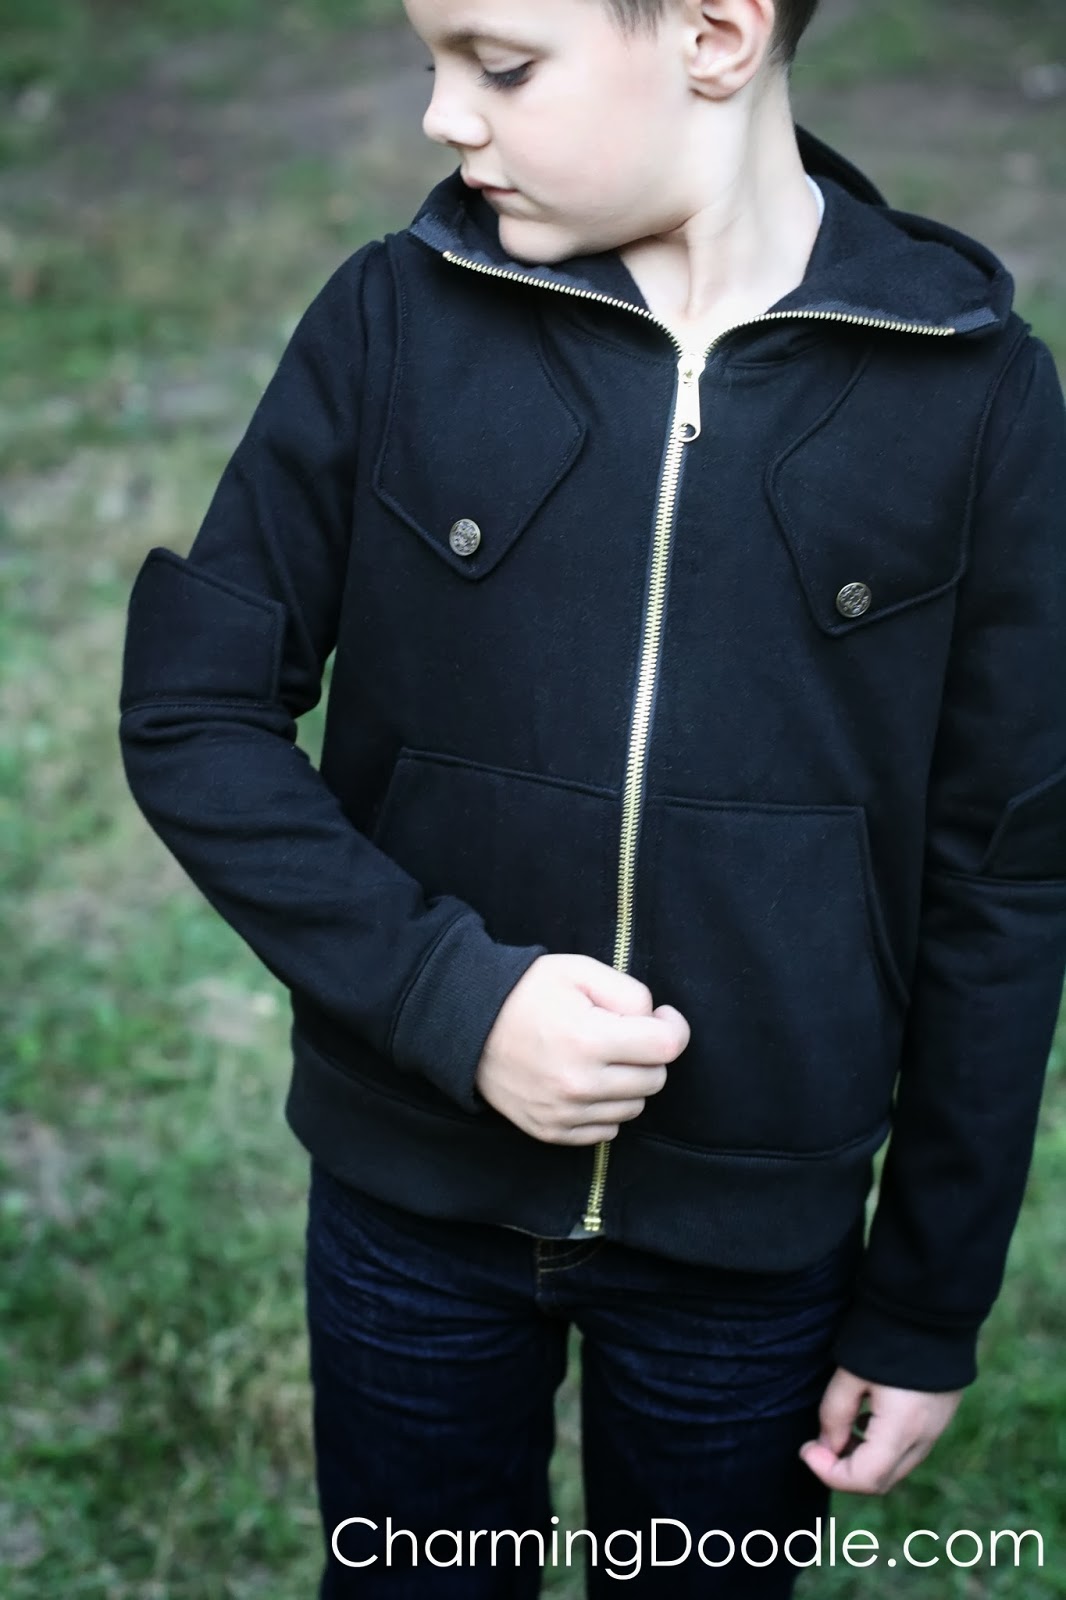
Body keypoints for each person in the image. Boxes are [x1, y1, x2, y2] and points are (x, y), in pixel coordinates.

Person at [117, 0, 1066, 1593]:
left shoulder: (970, 395)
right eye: (432, 61)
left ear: (716, 35)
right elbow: (191, 708)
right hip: (410, 1206)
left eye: (498, 65)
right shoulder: (390, 320)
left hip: (749, 1265)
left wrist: (922, 1299)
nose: (443, 116)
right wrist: (446, 997)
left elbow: (1006, 874)